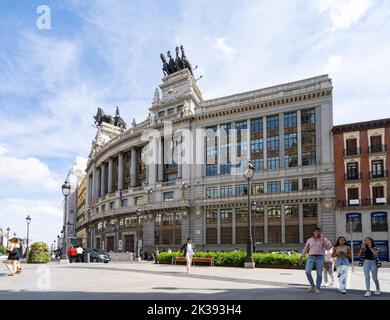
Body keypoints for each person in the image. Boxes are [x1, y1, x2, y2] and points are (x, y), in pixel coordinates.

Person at [300, 227, 331, 294]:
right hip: (311, 257)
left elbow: (328, 248)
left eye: (319, 231)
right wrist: (302, 255)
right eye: (317, 231)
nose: (318, 233)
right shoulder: (309, 240)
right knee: (307, 271)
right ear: (313, 232)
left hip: (320, 257)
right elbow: (306, 248)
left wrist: (323, 240)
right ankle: (312, 285)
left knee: (319, 274)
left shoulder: (324, 240)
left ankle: (317, 287)